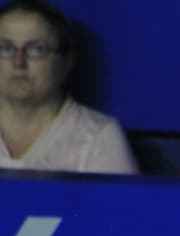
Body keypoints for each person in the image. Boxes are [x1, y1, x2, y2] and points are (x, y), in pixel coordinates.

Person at [0, 0, 137, 174]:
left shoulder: (98, 136)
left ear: (66, 61)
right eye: (5, 49)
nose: (18, 62)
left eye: (36, 50)